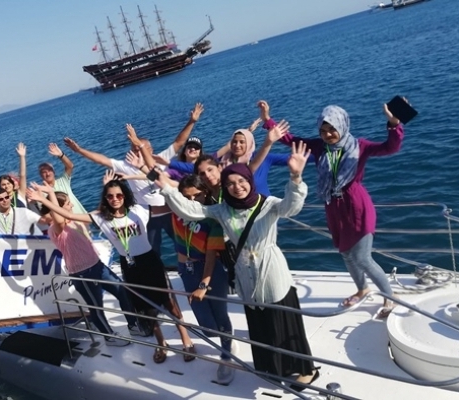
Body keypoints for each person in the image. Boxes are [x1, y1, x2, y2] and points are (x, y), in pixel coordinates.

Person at [157, 141, 319, 390]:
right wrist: (168, 190)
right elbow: (191, 210)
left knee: (284, 322)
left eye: (241, 181)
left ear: (249, 181)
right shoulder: (222, 210)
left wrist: (295, 177)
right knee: (260, 324)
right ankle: (272, 367)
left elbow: (292, 207)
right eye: (231, 183)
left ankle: (305, 370)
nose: (237, 187)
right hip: (245, 274)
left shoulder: (268, 204)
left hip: (271, 272)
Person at [27, 174, 196, 364]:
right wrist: (45, 198)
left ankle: (186, 340)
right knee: (144, 307)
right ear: (105, 198)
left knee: (169, 302)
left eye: (119, 195)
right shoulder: (101, 217)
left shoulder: (139, 209)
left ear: (125, 195)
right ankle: (161, 343)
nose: (115, 199)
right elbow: (67, 215)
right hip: (129, 265)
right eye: (110, 196)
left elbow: (172, 204)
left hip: (149, 261)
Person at [259, 100, 403, 317]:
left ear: (342, 126)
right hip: (333, 207)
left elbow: (390, 147)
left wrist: (394, 124)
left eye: (332, 129)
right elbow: (291, 140)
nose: (328, 134)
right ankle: (362, 289)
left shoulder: (360, 146)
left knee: (363, 257)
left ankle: (389, 296)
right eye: (323, 130)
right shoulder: (319, 147)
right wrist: (267, 119)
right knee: (346, 253)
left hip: (357, 206)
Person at [63, 103, 204, 258]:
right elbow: (101, 160)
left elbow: (179, 142)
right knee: (152, 252)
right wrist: (79, 150)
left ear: (150, 149)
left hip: (171, 211)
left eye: (139, 148)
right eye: (133, 148)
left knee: (186, 245)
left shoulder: (161, 159)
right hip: (148, 216)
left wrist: (192, 121)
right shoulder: (126, 166)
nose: (137, 151)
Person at [34, 183, 146, 344]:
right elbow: (58, 218)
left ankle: (133, 325)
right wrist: (51, 193)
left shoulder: (75, 221)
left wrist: (107, 188)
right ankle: (109, 336)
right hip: (82, 273)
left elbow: (100, 213)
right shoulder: (56, 228)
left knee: (122, 290)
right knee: (96, 306)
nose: (72, 205)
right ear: (58, 208)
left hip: (98, 266)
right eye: (68, 203)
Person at [174, 174, 236, 385]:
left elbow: (211, 256)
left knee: (220, 314)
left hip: (210, 271)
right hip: (186, 269)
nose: (192, 201)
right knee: (206, 323)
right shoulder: (176, 212)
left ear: (206, 193)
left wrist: (203, 284)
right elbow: (161, 182)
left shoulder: (212, 219)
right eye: (186, 197)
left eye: (197, 196)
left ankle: (226, 354)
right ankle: (225, 341)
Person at [38, 143, 87, 214]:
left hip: (82, 216)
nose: (48, 174)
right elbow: (45, 213)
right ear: (40, 175)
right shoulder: (41, 192)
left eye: (49, 170)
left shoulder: (63, 180)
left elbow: (70, 166)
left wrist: (61, 155)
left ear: (54, 171)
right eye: (44, 172)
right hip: (66, 221)